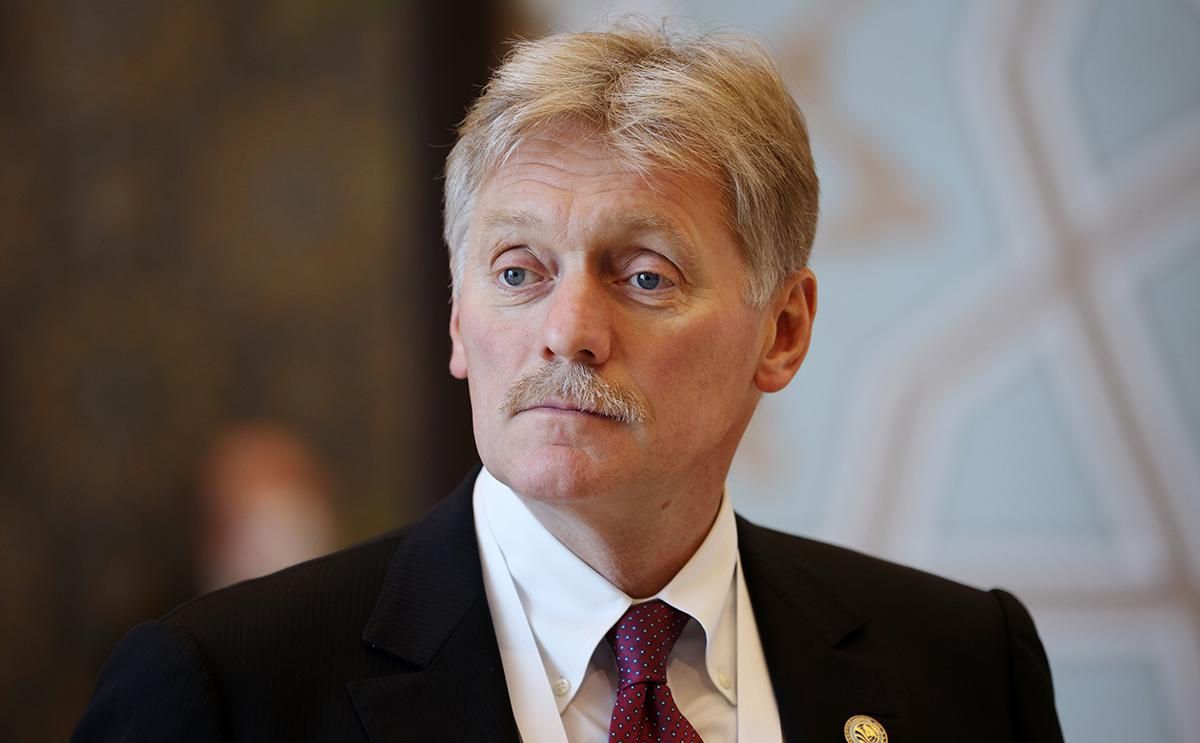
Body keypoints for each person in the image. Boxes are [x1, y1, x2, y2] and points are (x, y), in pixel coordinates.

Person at [74, 23, 1064, 743]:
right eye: (518, 272)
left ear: (783, 330)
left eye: (645, 276)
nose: (568, 331)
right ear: (459, 318)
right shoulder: (226, 689)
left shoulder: (966, 665)